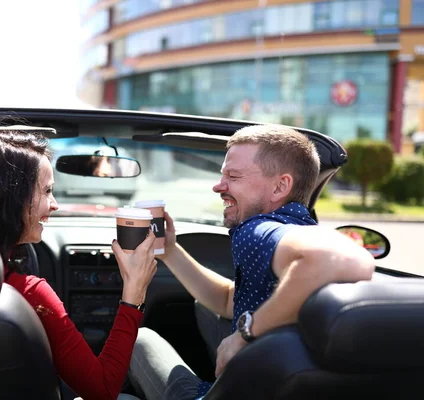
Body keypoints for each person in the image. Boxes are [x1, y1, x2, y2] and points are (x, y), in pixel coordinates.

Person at [128, 124, 376, 400]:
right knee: (205, 309)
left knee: (140, 339)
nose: (218, 186)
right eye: (222, 175)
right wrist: (170, 250)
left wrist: (244, 334)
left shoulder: (256, 230)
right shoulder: (294, 227)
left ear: (281, 186)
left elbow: (340, 259)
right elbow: (225, 300)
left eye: (233, 176)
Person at [0, 130, 157, 400]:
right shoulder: (28, 294)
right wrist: (134, 295)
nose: (55, 205)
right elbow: (103, 390)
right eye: (47, 191)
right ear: (12, 198)